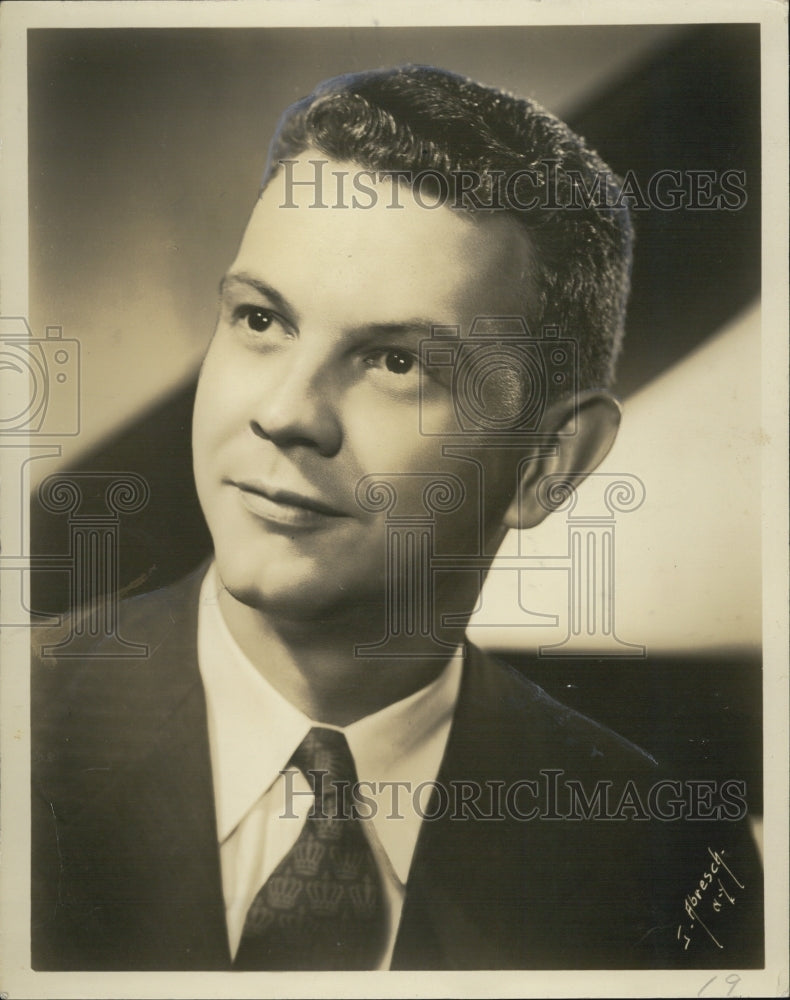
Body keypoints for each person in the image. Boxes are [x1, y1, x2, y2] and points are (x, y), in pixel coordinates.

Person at [31, 65, 763, 972]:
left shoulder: (666, 856)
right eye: (261, 319)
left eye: (394, 363)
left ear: (550, 463)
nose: (288, 412)